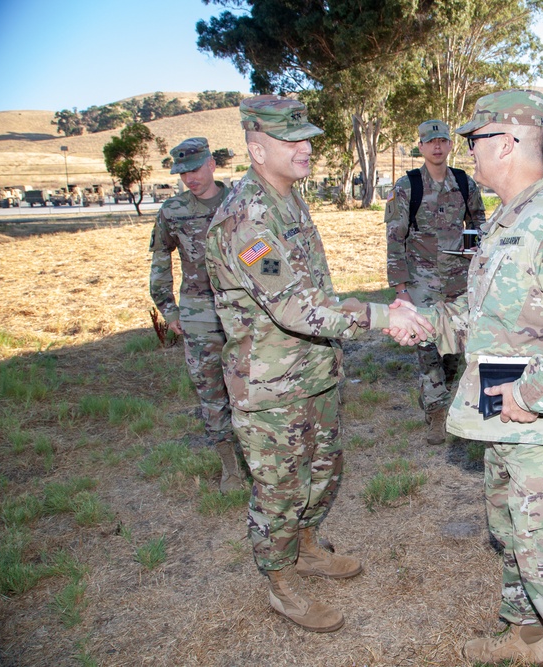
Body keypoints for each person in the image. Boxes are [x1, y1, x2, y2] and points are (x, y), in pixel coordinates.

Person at [389, 90, 543, 666]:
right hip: (504, 415)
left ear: (508, 144)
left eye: (475, 140)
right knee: (511, 531)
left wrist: (530, 396)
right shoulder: (505, 221)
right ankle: (526, 641)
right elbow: (479, 315)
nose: (468, 151)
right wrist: (424, 324)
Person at [205, 95, 433, 633]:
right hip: (268, 388)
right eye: (293, 140)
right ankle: (280, 583)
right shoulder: (246, 218)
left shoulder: (289, 201)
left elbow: (317, 295)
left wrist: (379, 307)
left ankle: (306, 548)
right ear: (257, 149)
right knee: (280, 490)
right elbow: (294, 308)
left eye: (308, 137)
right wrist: (378, 318)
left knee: (323, 472)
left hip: (313, 373)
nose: (307, 148)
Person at [149, 136, 245, 493]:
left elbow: (259, 251)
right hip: (198, 314)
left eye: (194, 169)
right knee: (210, 392)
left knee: (251, 386)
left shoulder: (239, 201)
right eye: (182, 172)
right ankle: (230, 467)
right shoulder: (173, 211)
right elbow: (161, 261)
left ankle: (260, 458)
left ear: (211, 164)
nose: (189, 178)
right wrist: (168, 308)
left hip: (244, 310)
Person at [385, 119, 486, 445]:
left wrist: (477, 259)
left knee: (454, 349)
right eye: (430, 142)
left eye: (442, 140)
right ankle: (437, 412)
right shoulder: (408, 186)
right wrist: (401, 290)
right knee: (428, 348)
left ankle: (439, 394)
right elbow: (394, 239)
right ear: (421, 147)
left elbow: (479, 223)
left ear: (449, 144)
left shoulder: (464, 182)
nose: (437, 146)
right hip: (422, 284)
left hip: (459, 283)